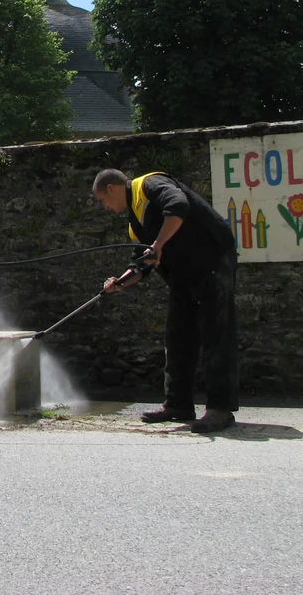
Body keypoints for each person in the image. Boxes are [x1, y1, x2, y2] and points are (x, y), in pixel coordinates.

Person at [92, 168, 239, 433]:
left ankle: (220, 408)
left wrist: (157, 245)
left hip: (213, 260)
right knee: (178, 335)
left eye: (103, 200)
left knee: (216, 332)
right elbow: (142, 264)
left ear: (112, 188)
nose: (106, 208)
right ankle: (178, 404)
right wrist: (120, 282)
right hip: (183, 273)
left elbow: (178, 205)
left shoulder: (151, 184)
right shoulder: (134, 223)